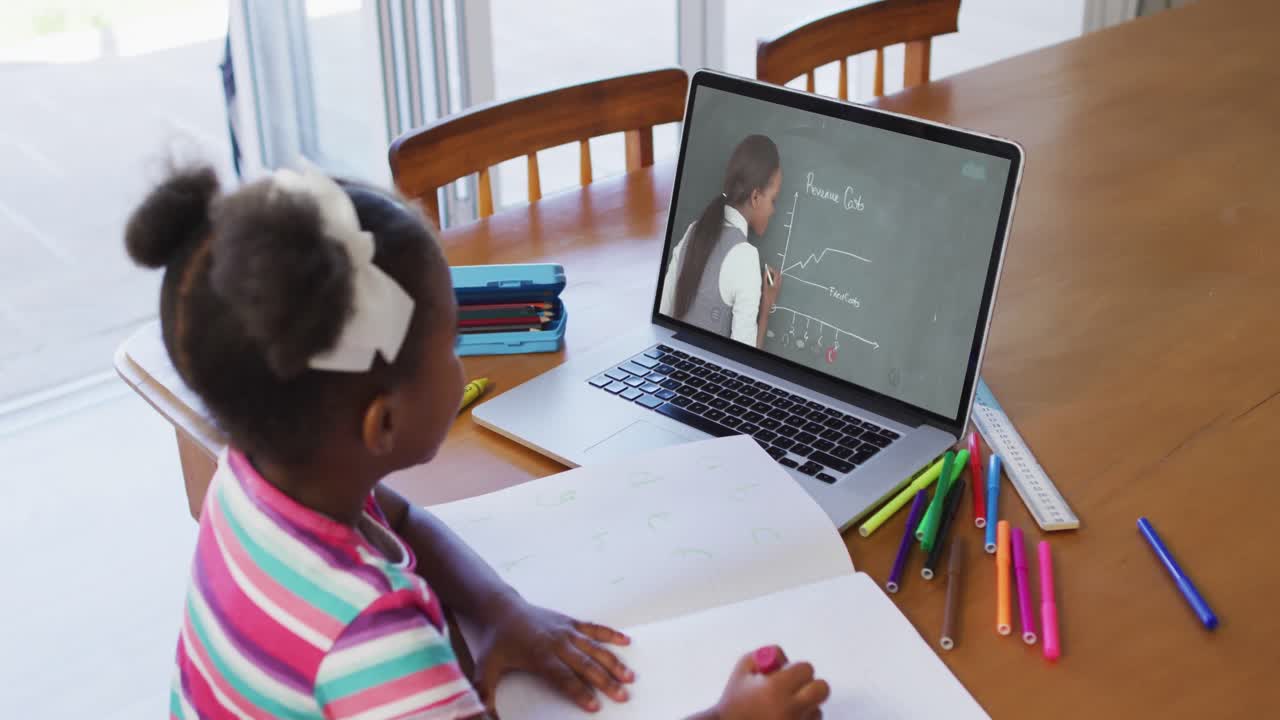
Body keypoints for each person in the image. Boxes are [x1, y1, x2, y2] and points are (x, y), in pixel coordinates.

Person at [126, 164, 829, 719]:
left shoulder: (253, 478)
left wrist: (500, 611)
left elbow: (401, 520)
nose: (466, 366)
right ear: (383, 424)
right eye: (453, 345)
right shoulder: (376, 642)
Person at [660, 134, 783, 348]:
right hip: (703, 378)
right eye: (773, 200)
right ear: (755, 197)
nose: (774, 210)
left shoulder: (693, 231)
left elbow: (663, 317)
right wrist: (766, 307)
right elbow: (744, 364)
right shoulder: (745, 256)